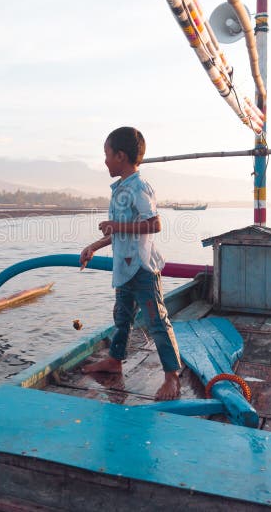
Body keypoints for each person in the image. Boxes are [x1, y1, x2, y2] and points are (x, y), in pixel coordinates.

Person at [79, 126, 182, 400]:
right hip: (124, 268)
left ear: (121, 156)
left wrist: (116, 224)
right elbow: (119, 233)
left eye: (107, 154)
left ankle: (172, 376)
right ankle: (115, 360)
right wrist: (93, 246)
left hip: (142, 269)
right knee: (121, 317)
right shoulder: (120, 190)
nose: (105, 161)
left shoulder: (139, 187)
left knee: (156, 320)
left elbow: (154, 224)